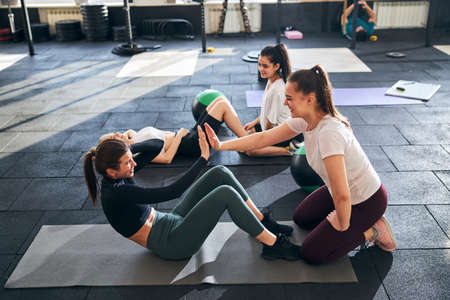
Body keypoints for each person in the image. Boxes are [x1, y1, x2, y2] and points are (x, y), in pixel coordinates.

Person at [205, 65, 397, 264]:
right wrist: (220, 146)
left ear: (310, 99)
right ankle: (349, 226)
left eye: (289, 98)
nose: (284, 102)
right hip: (340, 192)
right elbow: (262, 138)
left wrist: (342, 222)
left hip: (366, 201)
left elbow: (342, 195)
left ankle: (374, 230)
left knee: (312, 254)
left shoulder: (329, 133)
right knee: (302, 218)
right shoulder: (305, 120)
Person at [83, 125, 302, 261]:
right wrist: (203, 159)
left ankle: (262, 221)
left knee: (220, 173)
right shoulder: (116, 194)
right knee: (225, 193)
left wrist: (128, 145)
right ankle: (273, 245)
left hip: (169, 222)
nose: (133, 163)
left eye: (131, 158)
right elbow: (173, 191)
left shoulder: (118, 172)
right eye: (127, 161)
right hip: (172, 244)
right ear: (111, 171)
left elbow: (156, 145)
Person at [100, 93, 249, 167]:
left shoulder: (132, 138)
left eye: (115, 132)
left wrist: (123, 137)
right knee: (222, 104)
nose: (119, 133)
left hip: (188, 135)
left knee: (219, 100)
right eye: (116, 136)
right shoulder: (138, 152)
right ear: (117, 147)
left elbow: (128, 132)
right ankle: (247, 143)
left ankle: (247, 140)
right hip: (191, 145)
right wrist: (178, 135)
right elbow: (166, 158)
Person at [245, 43, 301, 157]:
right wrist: (254, 123)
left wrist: (261, 138)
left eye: (265, 66)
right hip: (269, 127)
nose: (261, 69)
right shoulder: (272, 80)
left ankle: (290, 150)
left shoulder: (277, 90)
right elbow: (266, 111)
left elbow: (271, 122)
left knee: (250, 151)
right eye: (259, 64)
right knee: (244, 136)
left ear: (276, 66)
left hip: (281, 134)